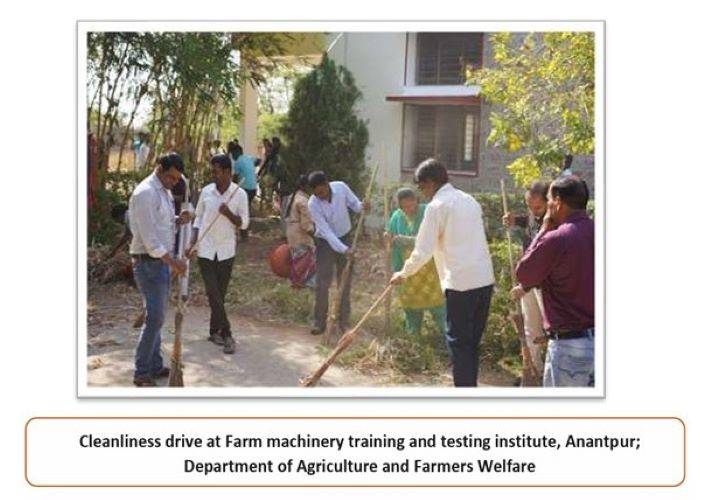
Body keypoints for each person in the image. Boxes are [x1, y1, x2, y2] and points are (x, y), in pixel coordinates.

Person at [390, 159, 494, 387]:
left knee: (459, 345)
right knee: (471, 344)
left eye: (421, 187)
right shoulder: (469, 200)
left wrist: (403, 273)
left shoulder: (437, 207)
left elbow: (422, 249)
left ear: (430, 182)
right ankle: (469, 389)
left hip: (460, 284)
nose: (421, 193)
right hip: (484, 281)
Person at [514, 176, 594, 387]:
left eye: (548, 201)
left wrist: (543, 231)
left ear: (557, 202)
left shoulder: (557, 238)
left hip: (569, 346)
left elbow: (524, 273)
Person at [128, 154, 190, 387]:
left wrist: (177, 220)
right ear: (159, 169)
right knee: (154, 317)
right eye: (171, 177)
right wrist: (173, 262)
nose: (174, 182)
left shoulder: (163, 190)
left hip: (160, 263)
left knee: (157, 316)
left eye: (177, 179)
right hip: (148, 262)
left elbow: (161, 223)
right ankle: (142, 371)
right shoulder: (145, 193)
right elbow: (150, 238)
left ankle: (154, 364)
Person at [189, 154, 250, 355]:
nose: (213, 175)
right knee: (212, 292)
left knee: (219, 294)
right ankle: (228, 334)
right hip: (205, 249)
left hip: (226, 251)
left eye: (216, 171)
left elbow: (245, 223)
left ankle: (214, 331)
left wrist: (229, 215)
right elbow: (198, 218)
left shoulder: (239, 194)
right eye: (212, 171)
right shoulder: (206, 192)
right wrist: (192, 241)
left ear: (227, 172)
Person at [307, 171, 369, 335]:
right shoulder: (312, 204)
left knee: (345, 282)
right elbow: (326, 232)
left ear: (327, 184)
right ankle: (319, 322)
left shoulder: (340, 187)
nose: (320, 196)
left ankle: (344, 322)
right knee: (322, 283)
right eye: (316, 194)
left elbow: (355, 204)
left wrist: (363, 206)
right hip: (325, 243)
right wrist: (344, 249)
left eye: (322, 191)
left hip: (346, 237)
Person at [502, 180, 550, 376]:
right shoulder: (534, 214)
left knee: (552, 330)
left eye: (537, 207)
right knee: (530, 327)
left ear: (549, 202)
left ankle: (550, 374)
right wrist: (515, 220)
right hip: (527, 281)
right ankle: (532, 370)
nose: (533, 211)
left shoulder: (553, 222)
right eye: (529, 206)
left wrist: (528, 285)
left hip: (545, 284)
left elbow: (547, 260)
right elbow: (530, 221)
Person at [386, 188, 446, 337]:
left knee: (438, 306)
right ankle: (414, 339)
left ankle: (448, 339)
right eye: (403, 207)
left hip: (430, 269)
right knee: (411, 308)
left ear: (417, 201)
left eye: (411, 205)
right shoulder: (396, 217)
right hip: (406, 269)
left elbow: (433, 239)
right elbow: (391, 240)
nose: (408, 209)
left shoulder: (428, 213)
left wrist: (405, 240)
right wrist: (388, 239)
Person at [285, 174, 316, 288]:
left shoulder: (292, 197)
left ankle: (297, 284)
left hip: (291, 233)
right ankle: (308, 285)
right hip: (301, 235)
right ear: (306, 186)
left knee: (297, 260)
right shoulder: (303, 201)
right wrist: (315, 236)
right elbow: (306, 225)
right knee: (306, 261)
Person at [230, 141, 258, 241]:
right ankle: (244, 232)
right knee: (245, 209)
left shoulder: (238, 162)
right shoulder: (248, 158)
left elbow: (235, 178)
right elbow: (258, 160)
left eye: (233, 154)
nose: (232, 156)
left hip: (245, 189)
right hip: (253, 188)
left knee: (240, 210)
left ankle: (244, 234)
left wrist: (231, 189)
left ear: (237, 153)